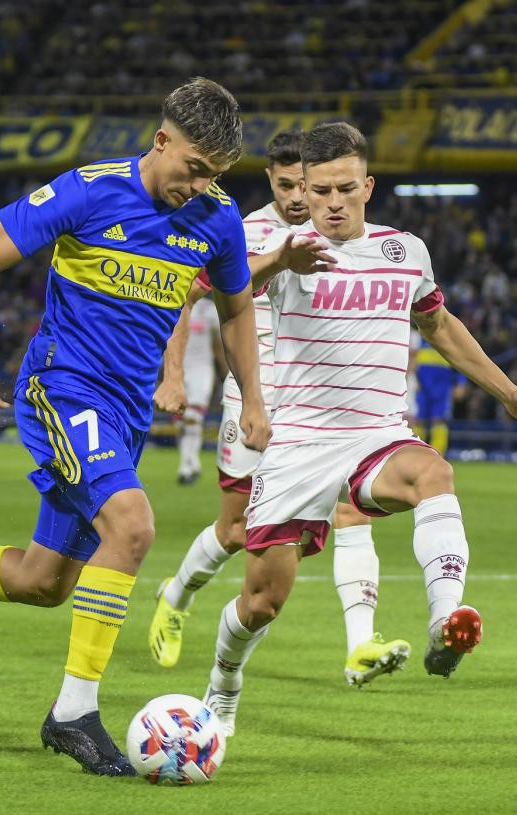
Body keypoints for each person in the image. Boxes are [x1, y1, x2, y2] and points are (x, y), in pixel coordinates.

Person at [0, 79, 330, 777]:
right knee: (132, 526)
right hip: (62, 387)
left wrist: (252, 394)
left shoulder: (218, 217)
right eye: (194, 167)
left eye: (215, 175)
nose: (200, 186)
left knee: (46, 581)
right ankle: (73, 713)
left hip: (125, 413)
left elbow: (235, 308)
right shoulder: (88, 189)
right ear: (161, 140)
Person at [199, 122, 517, 736]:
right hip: (297, 445)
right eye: (320, 192)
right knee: (263, 602)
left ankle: (444, 623)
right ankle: (224, 683)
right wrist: (277, 261)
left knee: (435, 472)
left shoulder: (406, 251)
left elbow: (440, 325)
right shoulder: (280, 249)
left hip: (375, 435)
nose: (332, 203)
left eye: (346, 188)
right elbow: (225, 294)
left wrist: (509, 394)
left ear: (368, 186)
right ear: (305, 191)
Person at [149, 131, 409, 687]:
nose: (297, 197)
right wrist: (174, 375)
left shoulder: (343, 234)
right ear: (270, 180)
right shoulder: (242, 232)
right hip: (252, 405)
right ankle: (175, 594)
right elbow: (185, 296)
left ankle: (360, 642)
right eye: (287, 185)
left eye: (305, 185)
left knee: (353, 511)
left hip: (324, 415)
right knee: (236, 529)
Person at [175, 296, 220, 485]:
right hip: (179, 369)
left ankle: (187, 466)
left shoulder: (209, 309)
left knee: (193, 416)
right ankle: (191, 462)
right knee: (180, 420)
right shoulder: (175, 305)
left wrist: (226, 373)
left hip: (202, 369)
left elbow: (219, 343)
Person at [413, 334, 466, 456]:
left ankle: (437, 456)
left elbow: (461, 362)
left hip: (442, 388)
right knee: (418, 420)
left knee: (438, 421)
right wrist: (412, 379)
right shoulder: (418, 338)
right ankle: (416, 455)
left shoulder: (448, 338)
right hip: (421, 386)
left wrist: (461, 383)